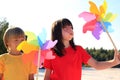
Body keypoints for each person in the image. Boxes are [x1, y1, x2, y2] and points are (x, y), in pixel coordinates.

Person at [43, 18, 120, 80]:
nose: (70, 30)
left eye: (71, 27)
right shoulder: (51, 52)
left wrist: (114, 62)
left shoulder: (78, 50)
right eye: (65, 28)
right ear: (57, 32)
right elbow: (47, 76)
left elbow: (96, 64)